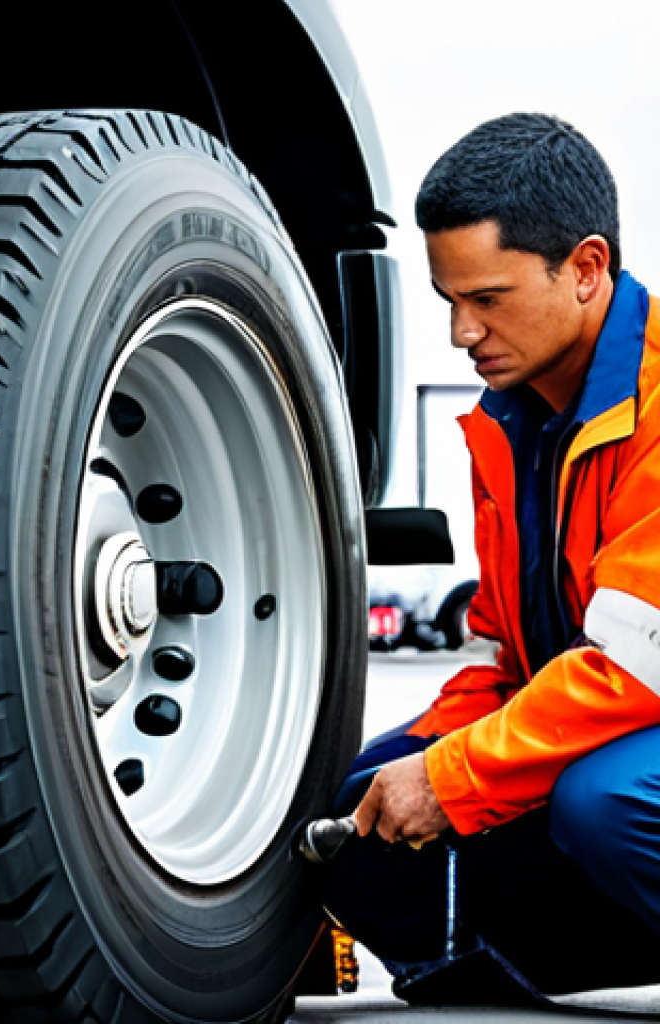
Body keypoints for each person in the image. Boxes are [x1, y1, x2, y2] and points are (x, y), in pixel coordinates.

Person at [321, 113, 660, 1001]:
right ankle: (512, 968)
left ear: (587, 269)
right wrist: (403, 764)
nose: (461, 334)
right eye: (449, 301)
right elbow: (513, 661)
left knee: (606, 802)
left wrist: (451, 776)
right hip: (610, 723)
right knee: (355, 806)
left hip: (634, 731)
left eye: (489, 299)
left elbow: (632, 670)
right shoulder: (506, 427)